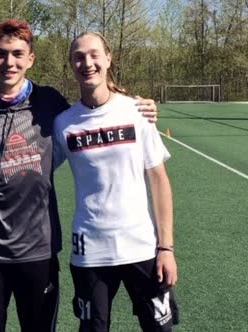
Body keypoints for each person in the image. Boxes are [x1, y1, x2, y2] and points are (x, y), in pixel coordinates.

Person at [0, 19, 159, 332]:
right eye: (2, 54)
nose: (9, 62)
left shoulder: (49, 104)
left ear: (30, 59)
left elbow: (91, 112)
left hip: (39, 252)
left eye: (18, 54)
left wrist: (137, 105)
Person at [51, 32, 179, 332]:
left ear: (108, 58)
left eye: (94, 54)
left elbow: (159, 180)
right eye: (79, 57)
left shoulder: (137, 112)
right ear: (72, 64)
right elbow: (35, 171)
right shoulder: (63, 123)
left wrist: (166, 248)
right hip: (89, 251)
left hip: (142, 248)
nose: (87, 62)